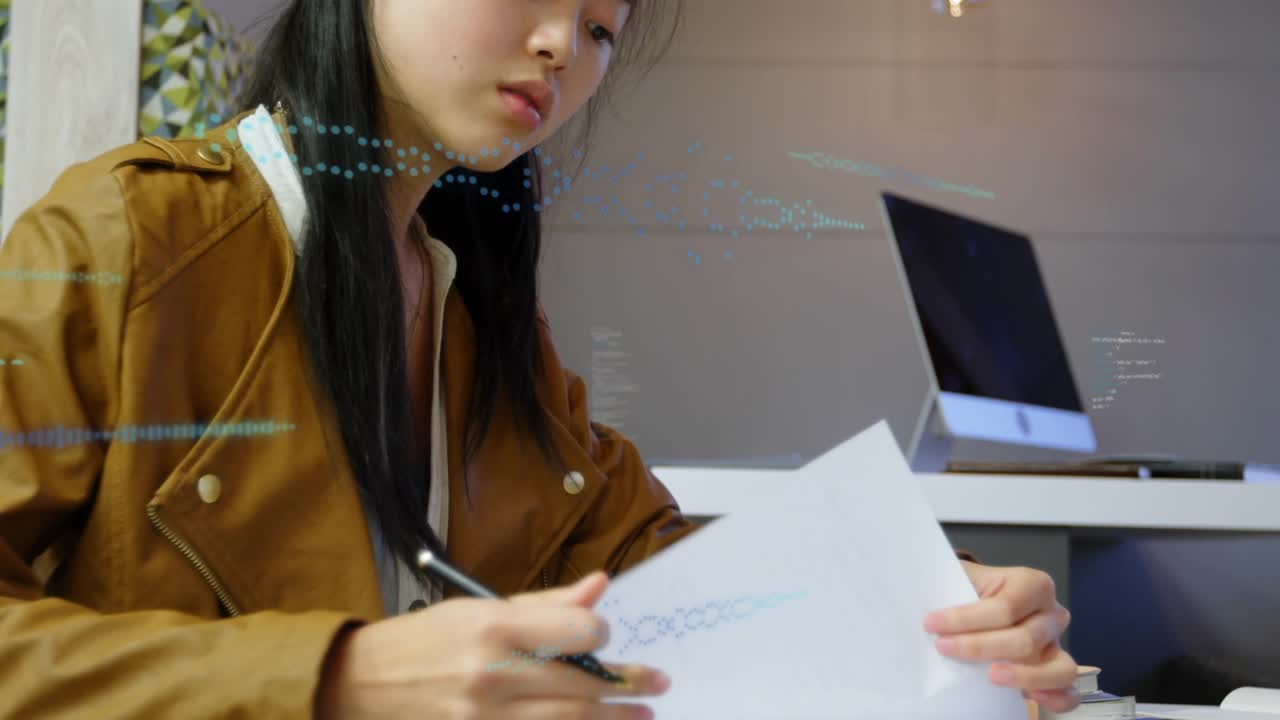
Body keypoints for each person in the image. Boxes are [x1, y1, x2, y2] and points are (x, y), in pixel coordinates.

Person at [0, 0, 1080, 717]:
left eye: (603, 27)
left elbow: (655, 564)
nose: (564, 45)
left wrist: (930, 600)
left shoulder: (486, 326)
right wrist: (335, 680)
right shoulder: (129, 240)